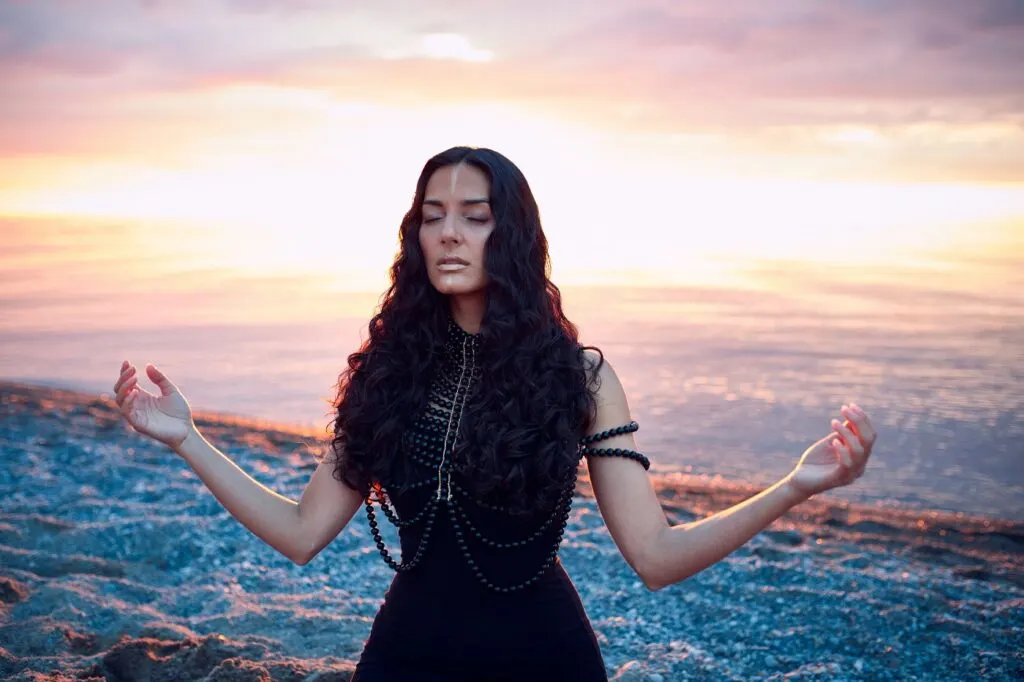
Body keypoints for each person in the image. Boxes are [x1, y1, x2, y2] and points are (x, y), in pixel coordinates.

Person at [111, 146, 877, 681]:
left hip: (542, 659)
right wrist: (190, 440)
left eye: (474, 215)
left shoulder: (579, 376)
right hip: (405, 656)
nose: (447, 231)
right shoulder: (390, 369)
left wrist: (794, 486)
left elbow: (654, 557)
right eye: (432, 214)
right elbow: (302, 533)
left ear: (510, 234)